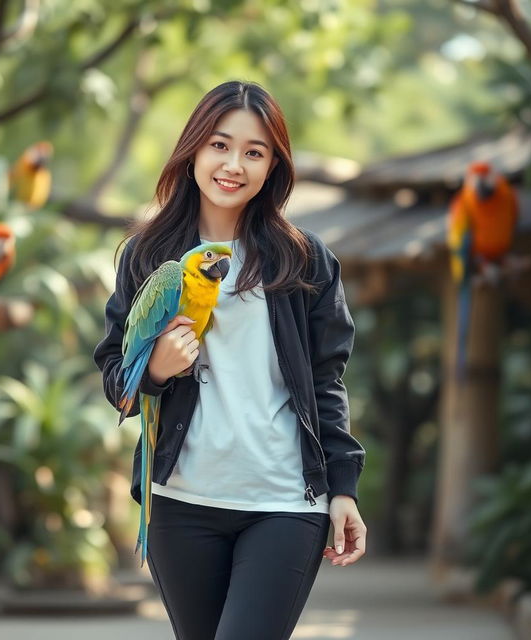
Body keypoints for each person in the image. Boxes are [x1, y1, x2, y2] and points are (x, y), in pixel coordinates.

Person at [93, 80, 367, 640]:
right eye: (220, 145)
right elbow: (115, 373)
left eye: (254, 151)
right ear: (193, 150)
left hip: (286, 502)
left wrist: (343, 488)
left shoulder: (306, 260)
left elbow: (327, 381)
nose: (233, 164)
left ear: (274, 167)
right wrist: (157, 370)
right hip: (179, 502)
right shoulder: (149, 256)